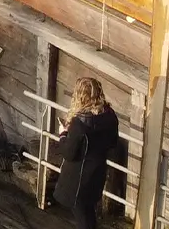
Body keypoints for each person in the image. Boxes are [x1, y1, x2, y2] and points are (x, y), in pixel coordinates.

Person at [51, 77, 120, 229]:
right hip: (97, 173)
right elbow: (113, 143)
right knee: (88, 212)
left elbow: (69, 153)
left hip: (79, 179)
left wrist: (63, 134)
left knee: (82, 215)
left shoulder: (79, 123)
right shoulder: (110, 116)